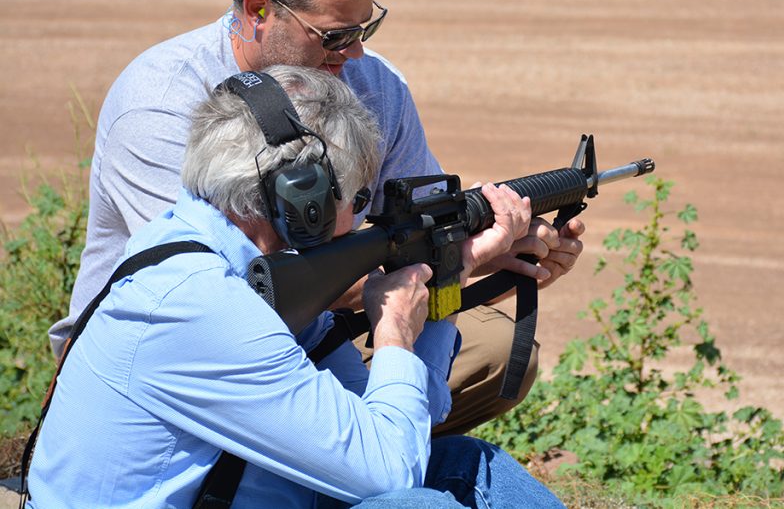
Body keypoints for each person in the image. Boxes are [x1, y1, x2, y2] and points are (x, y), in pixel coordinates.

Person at [49, 0, 585, 434]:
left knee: (492, 346)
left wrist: (497, 245)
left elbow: (414, 222)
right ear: (259, 10)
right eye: (334, 35)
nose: (353, 54)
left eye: (365, 28)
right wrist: (461, 261)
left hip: (313, 324)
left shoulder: (373, 84)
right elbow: (219, 295)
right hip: (173, 355)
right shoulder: (162, 105)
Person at [27, 66, 564, 509]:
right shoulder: (198, 303)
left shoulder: (232, 266)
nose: (362, 215)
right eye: (359, 196)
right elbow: (390, 476)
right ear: (302, 201)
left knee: (468, 466)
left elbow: (396, 432)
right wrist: (396, 330)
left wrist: (450, 270)